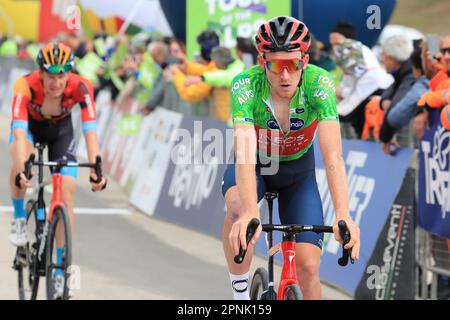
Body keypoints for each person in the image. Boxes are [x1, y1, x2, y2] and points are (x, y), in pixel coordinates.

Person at [221, 16, 360, 300]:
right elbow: (245, 154)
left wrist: (344, 214)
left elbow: (333, 155)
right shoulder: (245, 85)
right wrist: (250, 211)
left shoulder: (319, 83)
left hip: (298, 172)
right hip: (258, 163)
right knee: (237, 208)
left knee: (308, 267)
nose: (285, 76)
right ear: (262, 63)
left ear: (304, 61)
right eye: (276, 65)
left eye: (293, 65)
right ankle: (240, 294)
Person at [9, 42, 107, 298]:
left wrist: (97, 167)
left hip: (61, 133)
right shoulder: (24, 85)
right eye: (51, 76)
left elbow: (90, 131)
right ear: (40, 73)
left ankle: (61, 267)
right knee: (22, 162)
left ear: (69, 74)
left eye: (61, 76)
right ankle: (20, 219)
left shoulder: (82, 86)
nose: (56, 82)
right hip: (30, 130)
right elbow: (19, 135)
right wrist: (22, 170)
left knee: (67, 192)